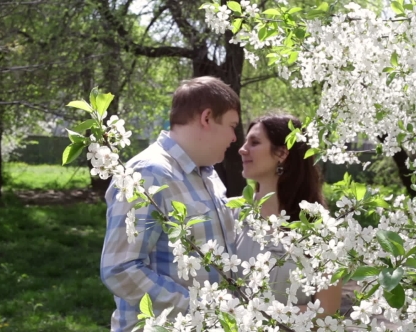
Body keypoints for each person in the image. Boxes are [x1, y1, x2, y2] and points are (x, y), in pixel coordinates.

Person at [100, 76, 241, 332]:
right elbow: (120, 269)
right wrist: (198, 309)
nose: (234, 138)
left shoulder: (209, 175)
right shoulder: (148, 174)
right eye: (232, 126)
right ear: (207, 118)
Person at [235, 113, 343, 315]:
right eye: (245, 142)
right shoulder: (232, 214)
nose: (242, 150)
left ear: (281, 154)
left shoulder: (320, 229)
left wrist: (258, 315)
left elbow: (327, 311)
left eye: (254, 142)